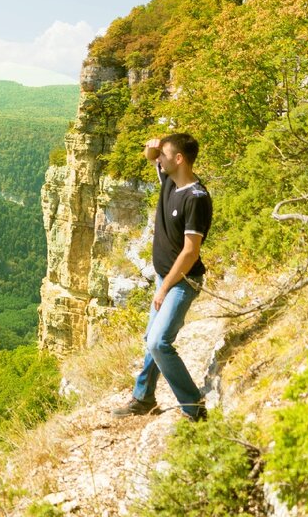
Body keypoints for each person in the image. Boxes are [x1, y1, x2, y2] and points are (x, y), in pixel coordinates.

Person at [112, 132, 212, 422]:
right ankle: (143, 398)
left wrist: (164, 287)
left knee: (158, 343)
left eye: (164, 155)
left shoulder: (197, 198)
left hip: (183, 282)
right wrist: (151, 148)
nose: (158, 159)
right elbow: (150, 156)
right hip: (165, 279)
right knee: (150, 339)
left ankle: (194, 407)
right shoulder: (170, 181)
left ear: (179, 159)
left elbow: (191, 252)